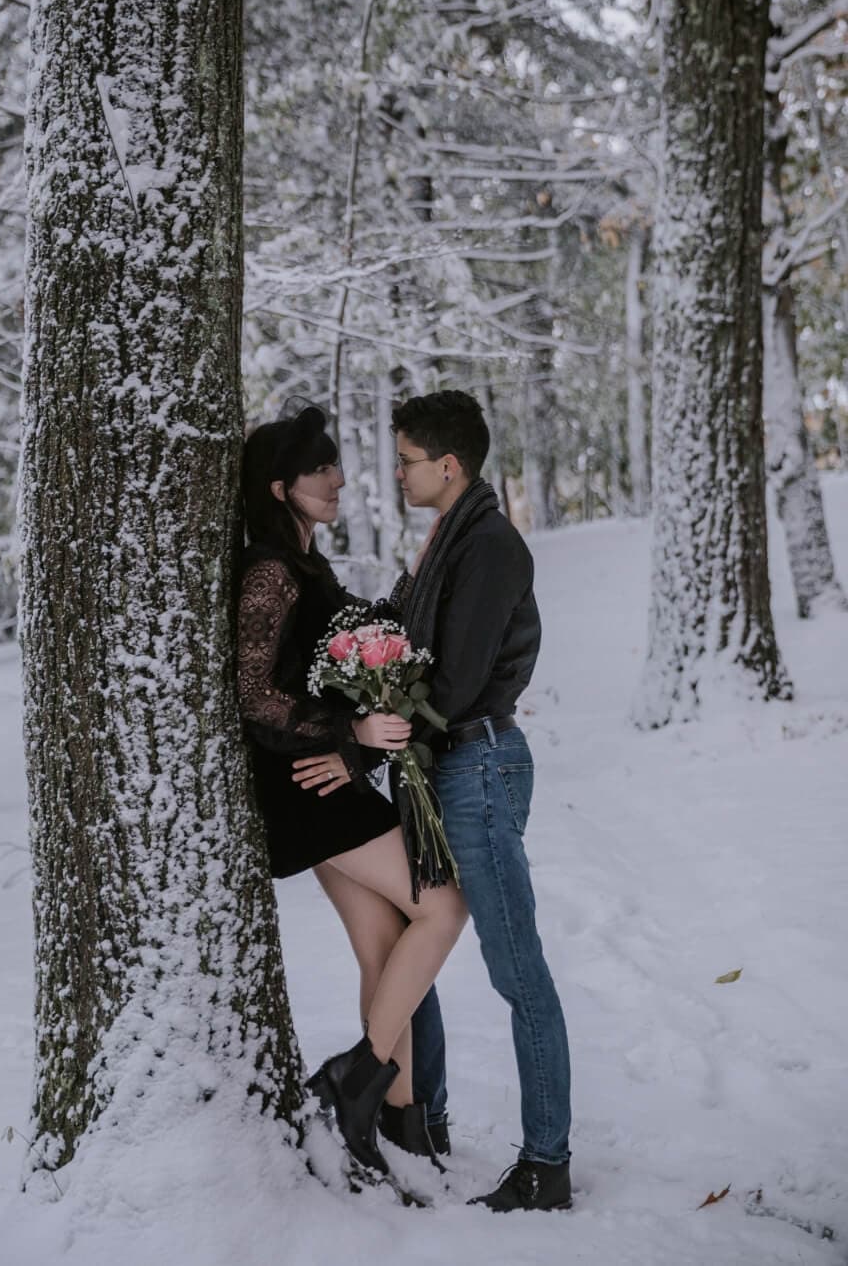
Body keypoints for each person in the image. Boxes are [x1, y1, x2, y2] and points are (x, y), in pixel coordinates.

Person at [237, 405, 468, 1175]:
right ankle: (356, 1075)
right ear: (279, 487)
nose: (337, 478)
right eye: (319, 469)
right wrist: (352, 736)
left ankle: (394, 1130)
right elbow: (254, 696)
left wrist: (421, 567)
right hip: (309, 782)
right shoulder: (270, 571)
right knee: (442, 907)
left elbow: (363, 632)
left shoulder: (306, 566)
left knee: (382, 947)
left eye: (335, 464)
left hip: (319, 780)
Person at [391, 389, 573, 1213]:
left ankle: (547, 1162)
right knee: (412, 942)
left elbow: (456, 681)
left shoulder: (490, 546)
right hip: (446, 769)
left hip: (480, 771)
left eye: (407, 460)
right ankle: (419, 1116)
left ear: (449, 465)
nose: (398, 472)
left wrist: (383, 705)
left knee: (514, 968)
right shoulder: (448, 541)